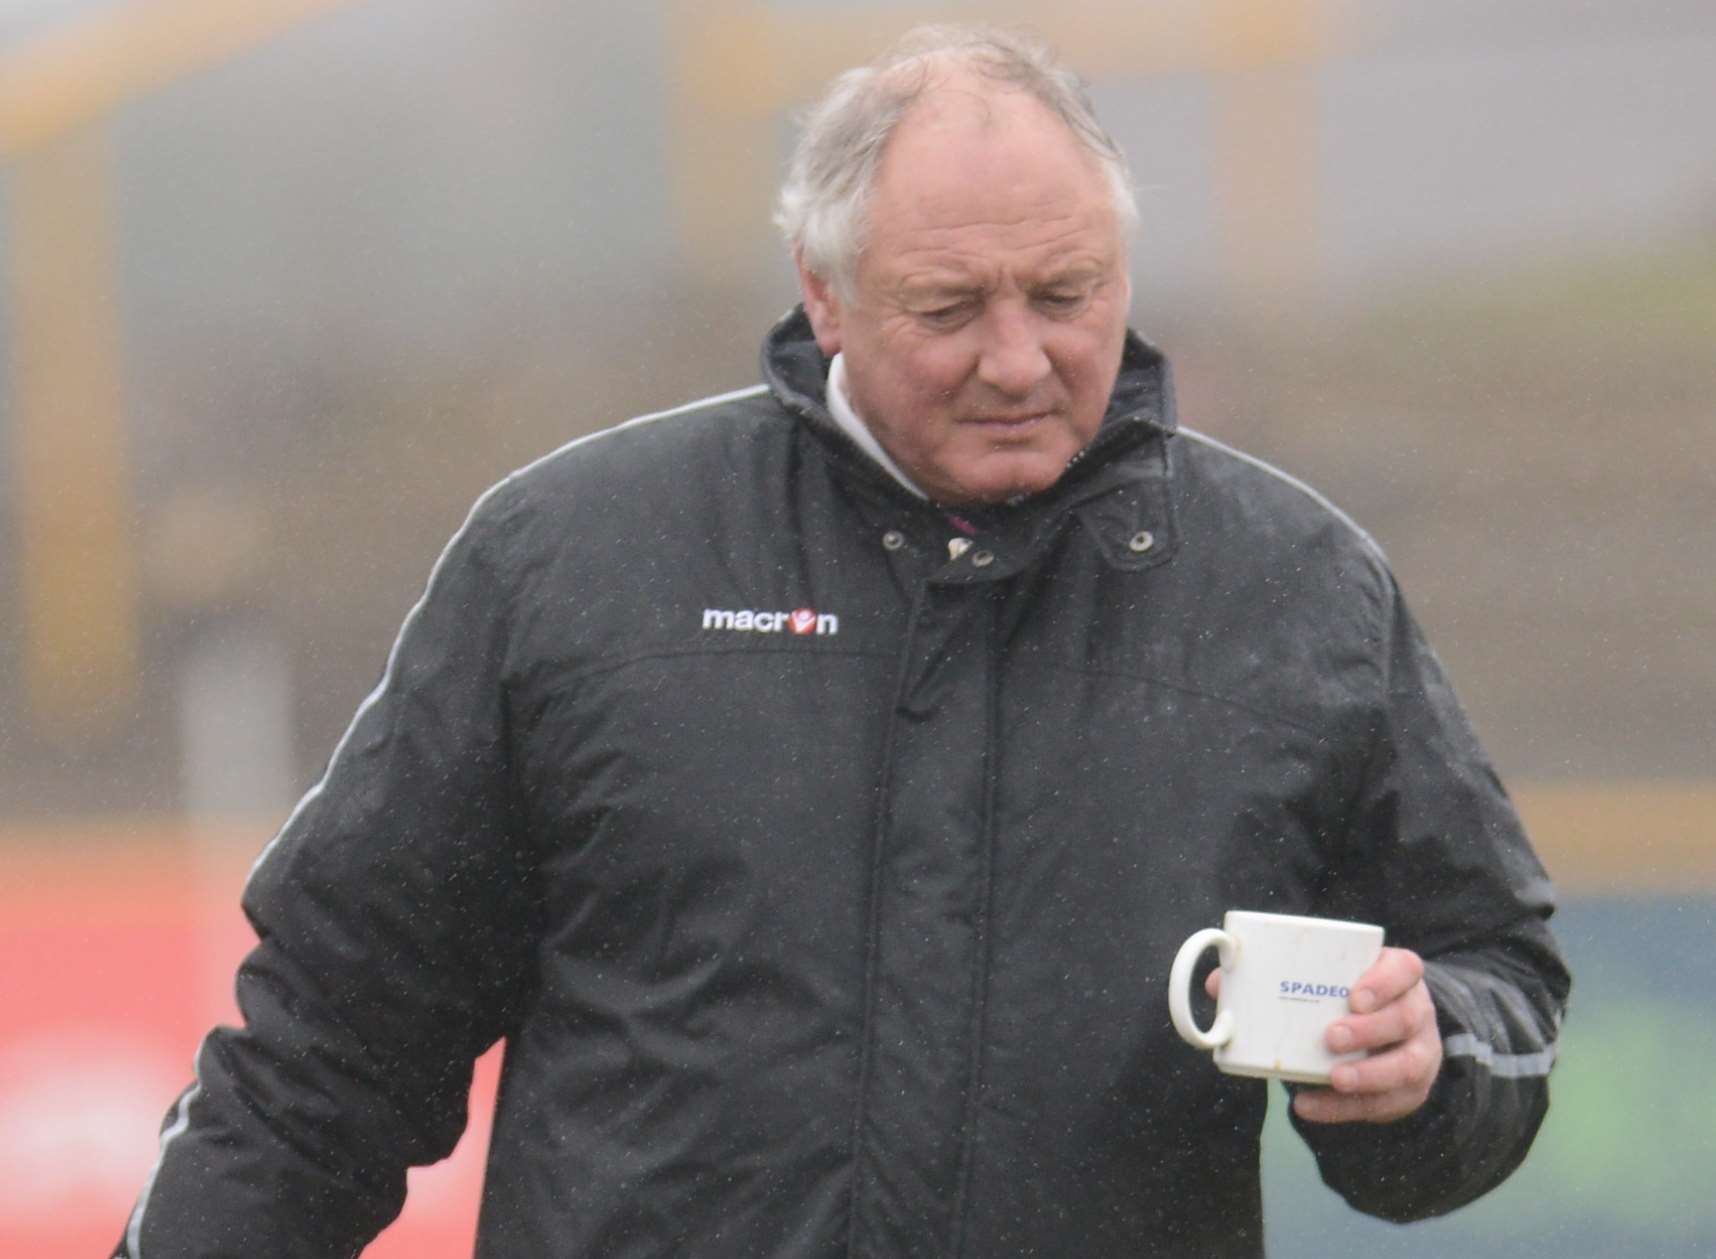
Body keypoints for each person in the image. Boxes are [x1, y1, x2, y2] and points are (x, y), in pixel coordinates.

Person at [116, 23, 1570, 1259]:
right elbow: (329, 1048)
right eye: (950, 309)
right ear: (823, 295)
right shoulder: (574, 562)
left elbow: (1495, 982)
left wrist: (1427, 1061)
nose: (1019, 359)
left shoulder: (1299, 592)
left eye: (1067, 296)